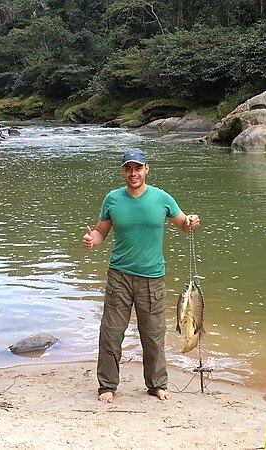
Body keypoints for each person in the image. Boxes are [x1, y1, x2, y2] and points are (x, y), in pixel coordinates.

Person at [82, 148, 200, 403]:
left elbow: (183, 225)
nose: (133, 173)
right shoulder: (112, 199)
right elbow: (101, 233)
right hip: (119, 276)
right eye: (128, 168)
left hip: (152, 278)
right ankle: (107, 386)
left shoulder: (162, 198)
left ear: (147, 169)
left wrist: (191, 221)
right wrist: (93, 240)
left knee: (154, 335)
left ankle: (157, 384)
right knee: (111, 333)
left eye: (138, 168)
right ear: (123, 171)